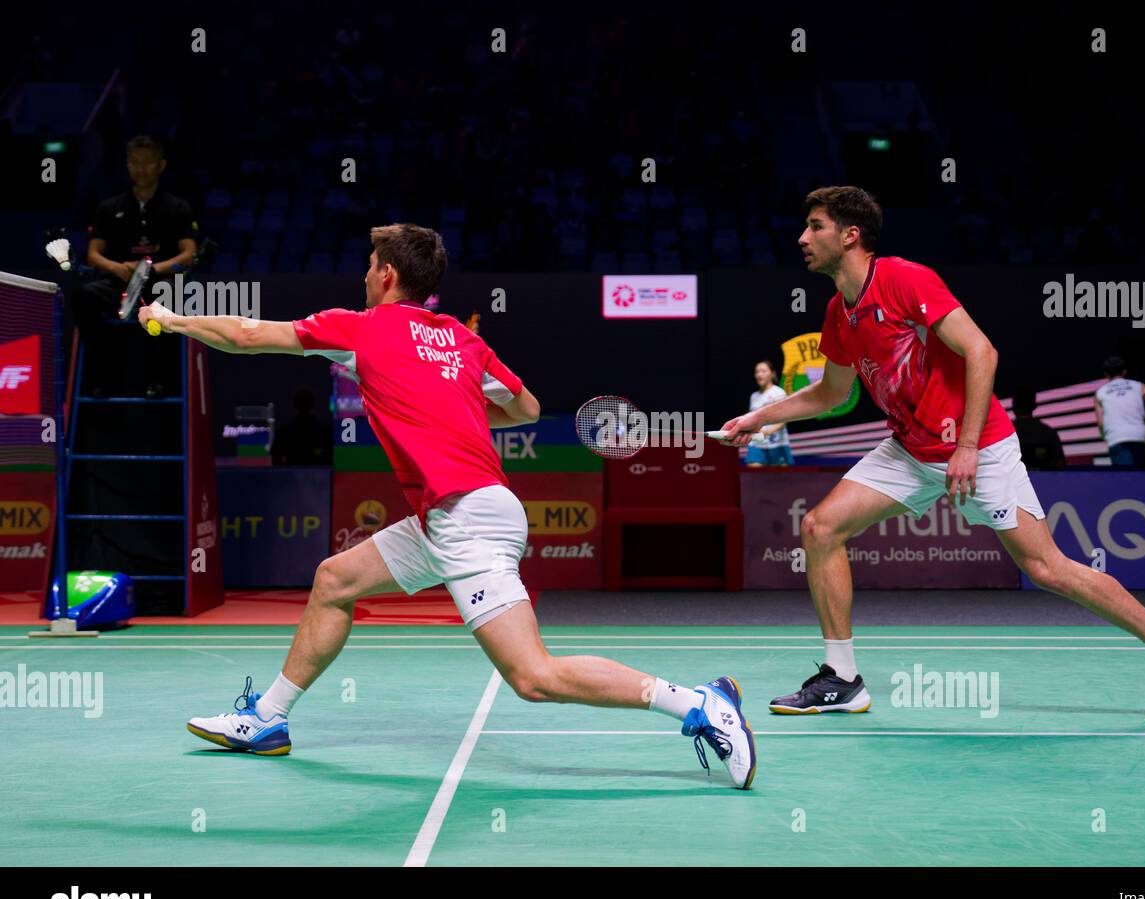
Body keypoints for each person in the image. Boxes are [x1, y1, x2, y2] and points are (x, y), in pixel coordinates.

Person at [140, 223, 755, 788]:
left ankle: (696, 702)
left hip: (470, 519)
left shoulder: (359, 326)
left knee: (532, 677)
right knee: (335, 580)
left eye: (368, 265)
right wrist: (449, 395)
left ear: (385, 276)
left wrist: (169, 318)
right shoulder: (461, 339)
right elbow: (529, 408)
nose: (363, 274)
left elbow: (248, 336)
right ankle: (267, 720)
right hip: (452, 513)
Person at [719, 186, 1145, 725]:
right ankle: (842, 678)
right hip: (908, 449)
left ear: (850, 234)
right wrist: (757, 419)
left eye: (815, 226)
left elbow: (982, 350)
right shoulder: (840, 312)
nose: (802, 237)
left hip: (978, 447)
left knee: (1047, 568)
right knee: (820, 527)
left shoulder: (905, 279)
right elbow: (833, 393)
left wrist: (969, 447)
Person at [68, 135, 198, 397]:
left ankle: (160, 381)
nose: (141, 168)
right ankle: (102, 379)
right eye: (135, 162)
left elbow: (188, 254)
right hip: (118, 282)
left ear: (160, 165)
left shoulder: (177, 208)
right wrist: (118, 268)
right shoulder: (109, 207)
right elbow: (94, 255)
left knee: (174, 296)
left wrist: (152, 269)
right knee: (84, 296)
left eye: (147, 162)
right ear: (127, 165)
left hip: (158, 283)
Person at [1093, 356, 1145, 468]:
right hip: (1140, 436)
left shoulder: (1100, 393)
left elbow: (1101, 423)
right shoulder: (1139, 386)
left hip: (1116, 438)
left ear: (1106, 374)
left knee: (1126, 482)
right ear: (1124, 371)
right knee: (1144, 478)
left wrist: (1105, 437)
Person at [745, 359, 794, 467]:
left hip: (777, 444)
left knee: (780, 480)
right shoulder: (754, 396)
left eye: (763, 371)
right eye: (757, 372)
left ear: (772, 374)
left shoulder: (779, 393)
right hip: (757, 444)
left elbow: (785, 418)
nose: (759, 374)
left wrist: (769, 431)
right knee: (754, 475)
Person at [1010, 388, 1065, 469]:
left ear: (1014, 406)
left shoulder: (1004, 434)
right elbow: (1061, 466)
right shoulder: (1049, 433)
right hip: (1045, 481)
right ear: (1034, 406)